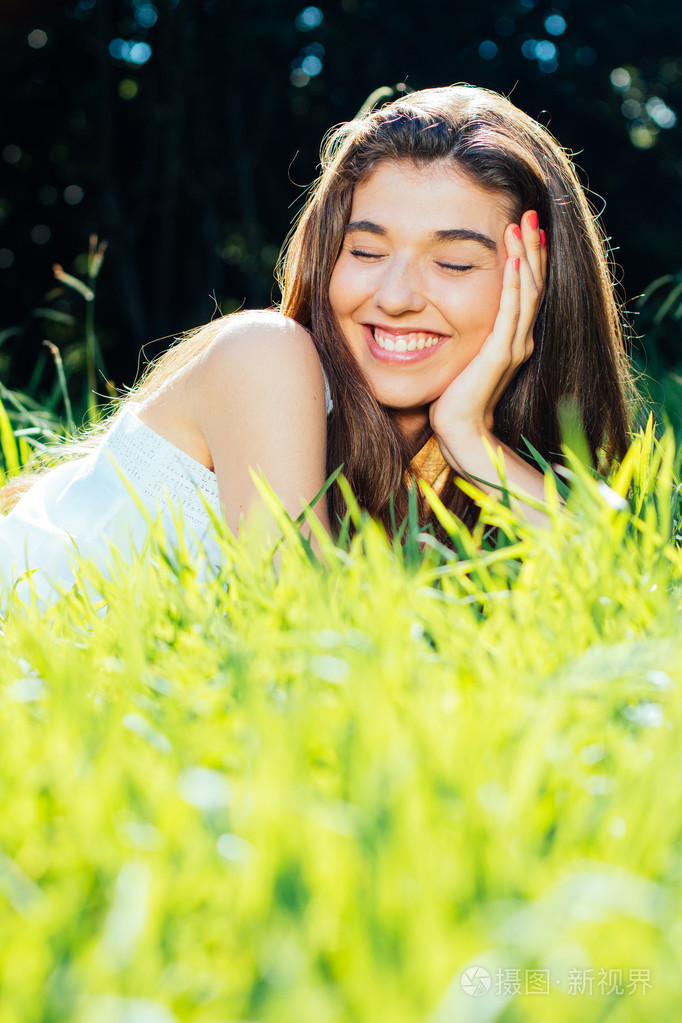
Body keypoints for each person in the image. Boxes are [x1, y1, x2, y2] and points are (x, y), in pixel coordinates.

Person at [0, 83, 634, 612]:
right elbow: (302, 637)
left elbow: (627, 599)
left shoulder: (445, 481)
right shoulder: (264, 357)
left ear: (538, 284)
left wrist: (469, 436)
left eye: (454, 263)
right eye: (366, 252)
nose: (395, 296)